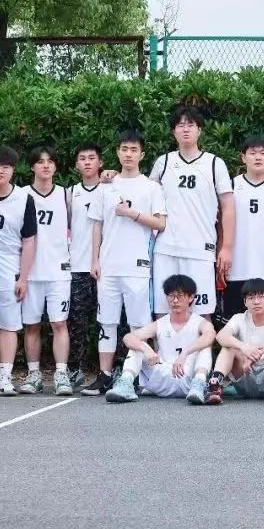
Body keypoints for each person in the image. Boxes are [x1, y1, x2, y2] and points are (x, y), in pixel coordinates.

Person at [84, 130, 167, 396]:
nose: (128, 154)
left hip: (138, 266)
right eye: (124, 149)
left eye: (133, 150)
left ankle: (135, 376)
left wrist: (132, 213)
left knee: (139, 325)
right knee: (106, 323)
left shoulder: (151, 187)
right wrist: (95, 260)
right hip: (108, 266)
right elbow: (97, 225)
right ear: (117, 153)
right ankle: (105, 375)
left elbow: (160, 223)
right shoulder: (106, 185)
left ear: (142, 154)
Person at [148, 106, 235, 319]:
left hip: (200, 249)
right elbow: (145, 195)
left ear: (199, 130)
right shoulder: (163, 162)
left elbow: (228, 207)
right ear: (173, 131)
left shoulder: (214, 163)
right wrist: (112, 177)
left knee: (202, 313)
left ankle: (203, 345)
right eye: (180, 125)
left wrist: (226, 247)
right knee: (164, 311)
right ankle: (164, 344)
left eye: (191, 125)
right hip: (166, 248)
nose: (185, 129)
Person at [0, 146, 37, 396]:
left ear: (13, 170)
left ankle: (5, 375)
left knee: (9, 325)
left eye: (6, 166)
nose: (0, 171)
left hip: (8, 266)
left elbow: (29, 240)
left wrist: (23, 277)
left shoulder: (24, 198)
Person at [104, 275, 214, 404]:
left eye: (180, 296)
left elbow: (210, 335)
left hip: (189, 380)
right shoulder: (160, 323)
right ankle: (126, 384)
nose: (175, 300)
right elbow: (128, 338)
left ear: (191, 297)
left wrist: (185, 353)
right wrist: (145, 348)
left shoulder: (200, 322)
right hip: (164, 376)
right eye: (171, 296)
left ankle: (199, 384)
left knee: (205, 347)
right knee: (137, 346)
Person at [19, 146, 74, 396]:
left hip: (59, 271)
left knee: (59, 323)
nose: (45, 165)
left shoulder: (66, 194)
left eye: (50, 161)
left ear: (55, 166)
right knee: (31, 326)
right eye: (40, 162)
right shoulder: (21, 195)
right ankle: (34, 374)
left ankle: (61, 374)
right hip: (30, 273)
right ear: (32, 166)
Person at [222, 136, 264, 319]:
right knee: (235, 322)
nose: (258, 157)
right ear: (243, 158)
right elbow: (221, 224)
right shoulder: (231, 186)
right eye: (252, 153)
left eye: (263, 153)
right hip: (237, 267)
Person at [206, 278, 264, 405]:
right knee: (229, 347)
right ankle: (214, 385)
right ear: (245, 302)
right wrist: (244, 347)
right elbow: (220, 336)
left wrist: (257, 353)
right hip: (244, 371)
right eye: (251, 298)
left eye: (261, 296)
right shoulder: (238, 318)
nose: (256, 302)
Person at [68, 142, 104, 388]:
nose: (87, 162)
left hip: (107, 266)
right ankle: (74, 370)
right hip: (78, 265)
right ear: (76, 165)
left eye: (92, 157)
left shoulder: (111, 188)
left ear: (101, 162)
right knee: (77, 322)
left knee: (108, 321)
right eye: (82, 158)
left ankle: (110, 370)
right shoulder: (70, 193)